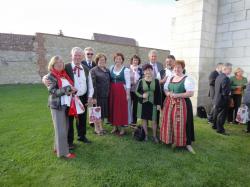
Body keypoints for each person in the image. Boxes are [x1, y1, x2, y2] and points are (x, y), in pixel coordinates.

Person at [160, 60, 195, 154]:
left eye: (179, 67)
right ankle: (170, 140)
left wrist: (177, 95)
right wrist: (168, 93)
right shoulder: (170, 78)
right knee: (169, 121)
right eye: (175, 67)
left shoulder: (187, 79)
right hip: (170, 103)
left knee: (183, 123)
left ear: (183, 68)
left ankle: (187, 143)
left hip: (183, 104)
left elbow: (190, 93)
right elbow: (165, 88)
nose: (177, 69)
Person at [47, 56, 76, 159]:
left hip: (66, 105)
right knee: (61, 130)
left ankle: (57, 147)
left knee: (65, 128)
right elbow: (53, 91)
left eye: (61, 62)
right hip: (57, 105)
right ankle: (63, 152)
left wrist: (73, 90)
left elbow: (67, 89)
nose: (59, 64)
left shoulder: (64, 74)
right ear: (52, 65)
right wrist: (68, 89)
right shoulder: (50, 76)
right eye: (57, 63)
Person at [65, 47, 94, 147]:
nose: (77, 57)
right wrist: (44, 78)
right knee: (70, 119)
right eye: (75, 55)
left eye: (79, 55)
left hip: (82, 97)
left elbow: (90, 84)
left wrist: (90, 96)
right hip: (70, 98)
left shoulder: (86, 69)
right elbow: (53, 74)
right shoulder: (66, 67)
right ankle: (69, 141)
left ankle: (82, 136)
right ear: (71, 56)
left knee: (82, 118)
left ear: (82, 57)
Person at [135, 64, 161, 143]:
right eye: (146, 70)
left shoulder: (156, 81)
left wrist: (159, 104)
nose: (148, 71)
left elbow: (158, 93)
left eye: (150, 70)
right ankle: (145, 135)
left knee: (154, 120)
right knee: (144, 119)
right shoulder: (141, 81)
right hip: (143, 104)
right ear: (144, 71)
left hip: (153, 103)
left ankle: (154, 136)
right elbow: (136, 91)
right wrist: (142, 95)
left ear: (152, 71)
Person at [109, 53, 131, 136]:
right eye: (116, 58)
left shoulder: (126, 70)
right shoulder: (111, 68)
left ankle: (122, 128)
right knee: (113, 108)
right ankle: (115, 127)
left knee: (121, 109)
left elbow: (128, 83)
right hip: (112, 90)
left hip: (121, 91)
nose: (118, 60)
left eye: (120, 59)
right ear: (114, 59)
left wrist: (128, 94)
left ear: (122, 60)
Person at [90, 53, 110, 135]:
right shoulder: (93, 70)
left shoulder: (107, 70)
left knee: (102, 113)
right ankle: (96, 129)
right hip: (97, 95)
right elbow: (92, 84)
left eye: (104, 60)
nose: (102, 61)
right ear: (97, 60)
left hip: (105, 95)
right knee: (96, 112)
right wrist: (94, 97)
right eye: (100, 60)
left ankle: (101, 127)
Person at [212, 63, 232, 135]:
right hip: (223, 100)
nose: (231, 70)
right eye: (230, 69)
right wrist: (229, 94)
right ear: (225, 69)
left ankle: (214, 126)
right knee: (222, 115)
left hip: (217, 98)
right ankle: (220, 130)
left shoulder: (219, 76)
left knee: (216, 113)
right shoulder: (226, 78)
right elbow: (225, 91)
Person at [130, 55, 143, 126]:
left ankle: (134, 121)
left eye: (137, 60)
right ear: (132, 61)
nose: (135, 61)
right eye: (134, 60)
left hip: (137, 91)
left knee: (135, 106)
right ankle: (128, 120)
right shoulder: (128, 69)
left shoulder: (140, 70)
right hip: (129, 90)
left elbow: (142, 80)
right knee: (128, 105)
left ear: (138, 61)